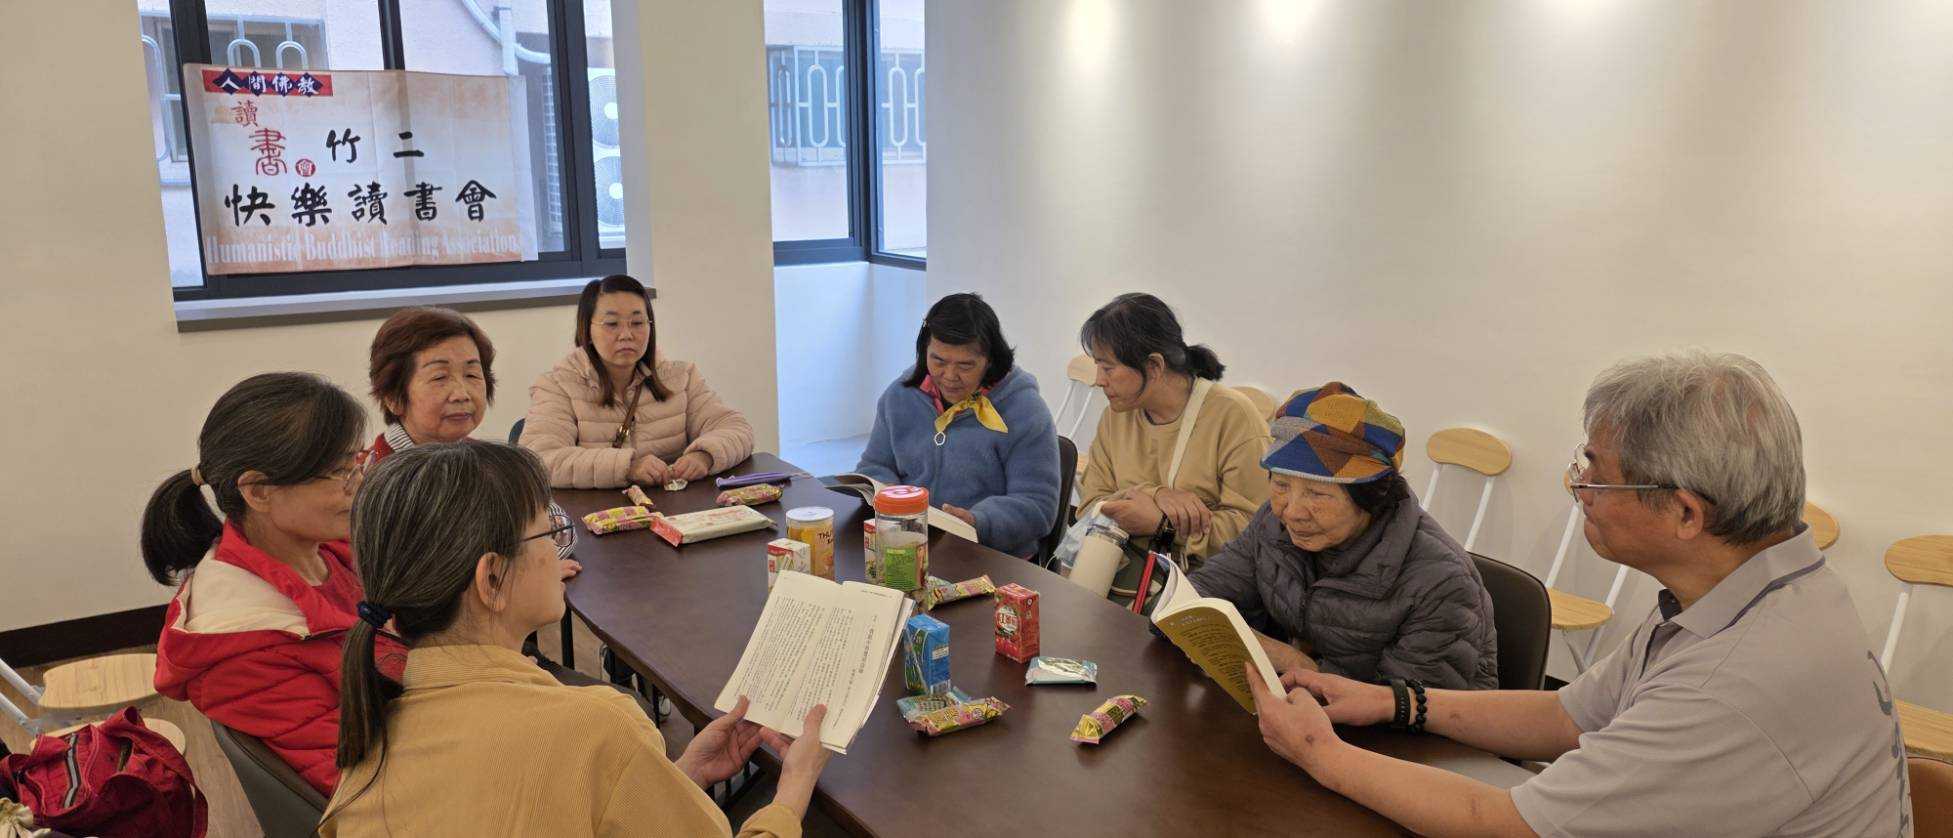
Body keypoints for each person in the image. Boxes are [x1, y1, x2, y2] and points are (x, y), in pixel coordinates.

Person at [1246, 352, 1914, 837]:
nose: (1578, 490)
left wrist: (1317, 752)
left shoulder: (1734, 680)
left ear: (1685, 513)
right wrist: (1393, 701)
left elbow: (1510, 824)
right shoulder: (1750, 590)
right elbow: (1571, 715)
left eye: (1595, 474)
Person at [318, 443, 833, 836]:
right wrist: (791, 793)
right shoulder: (593, 726)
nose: (560, 547)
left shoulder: (370, 746)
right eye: (546, 533)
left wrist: (672, 777)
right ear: (492, 579)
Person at [143, 372, 404, 796]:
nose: (358, 483)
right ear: (258, 492)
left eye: (357, 462)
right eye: (340, 471)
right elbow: (361, 784)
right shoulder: (246, 649)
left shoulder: (327, 550)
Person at [1189, 383, 1498, 689]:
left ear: (1371, 497)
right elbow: (1199, 595)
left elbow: (1409, 706)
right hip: (1296, 701)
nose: (1291, 511)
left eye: (1317, 493)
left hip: (1401, 720)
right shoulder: (1272, 521)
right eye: (1281, 485)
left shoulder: (1440, 581)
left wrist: (1302, 667)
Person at [367, 305, 580, 575]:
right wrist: (524, 570)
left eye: (472, 375)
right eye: (440, 377)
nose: (462, 393)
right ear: (393, 397)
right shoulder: (377, 482)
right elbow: (426, 577)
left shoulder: (482, 458)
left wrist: (531, 563)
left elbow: (560, 529)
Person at [854, 293, 1061, 558]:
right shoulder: (900, 397)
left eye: (965, 365)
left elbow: (1038, 505)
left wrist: (978, 522)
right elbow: (874, 467)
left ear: (990, 361)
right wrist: (898, 504)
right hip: (909, 544)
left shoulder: (1024, 410)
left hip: (989, 555)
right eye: (938, 361)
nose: (950, 376)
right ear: (924, 352)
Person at [1076, 293, 1271, 564]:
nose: (1099, 380)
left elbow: (1254, 530)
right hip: (1118, 571)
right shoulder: (1117, 414)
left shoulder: (1233, 416)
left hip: (1202, 580)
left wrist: (1163, 525)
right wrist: (1155, 495)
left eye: (1108, 368)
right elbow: (1090, 506)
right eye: (1098, 366)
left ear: (1154, 366)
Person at [522, 275, 754, 489]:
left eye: (637, 323)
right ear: (587, 329)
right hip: (598, 515)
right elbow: (540, 460)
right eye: (612, 324)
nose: (626, 335)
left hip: (674, 511)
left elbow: (736, 428)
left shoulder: (680, 377)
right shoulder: (558, 386)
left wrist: (705, 455)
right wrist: (627, 467)